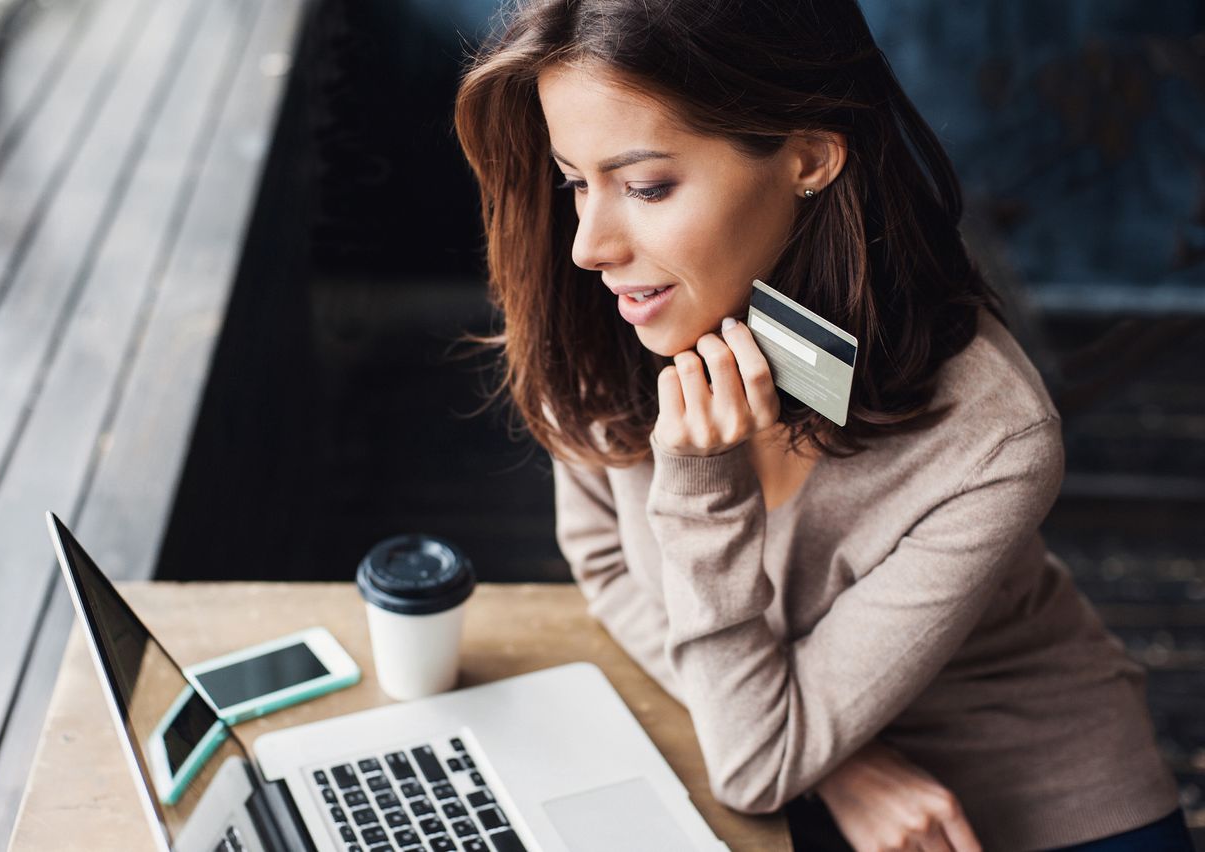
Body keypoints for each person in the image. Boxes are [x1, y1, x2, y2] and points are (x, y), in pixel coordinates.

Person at [450, 1, 1193, 850]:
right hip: (777, 758)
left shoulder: (995, 437)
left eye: (647, 187)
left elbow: (753, 764)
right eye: (575, 182)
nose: (589, 245)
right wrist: (840, 765)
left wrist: (700, 490)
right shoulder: (609, 313)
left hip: (1024, 796)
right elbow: (608, 565)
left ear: (807, 157)